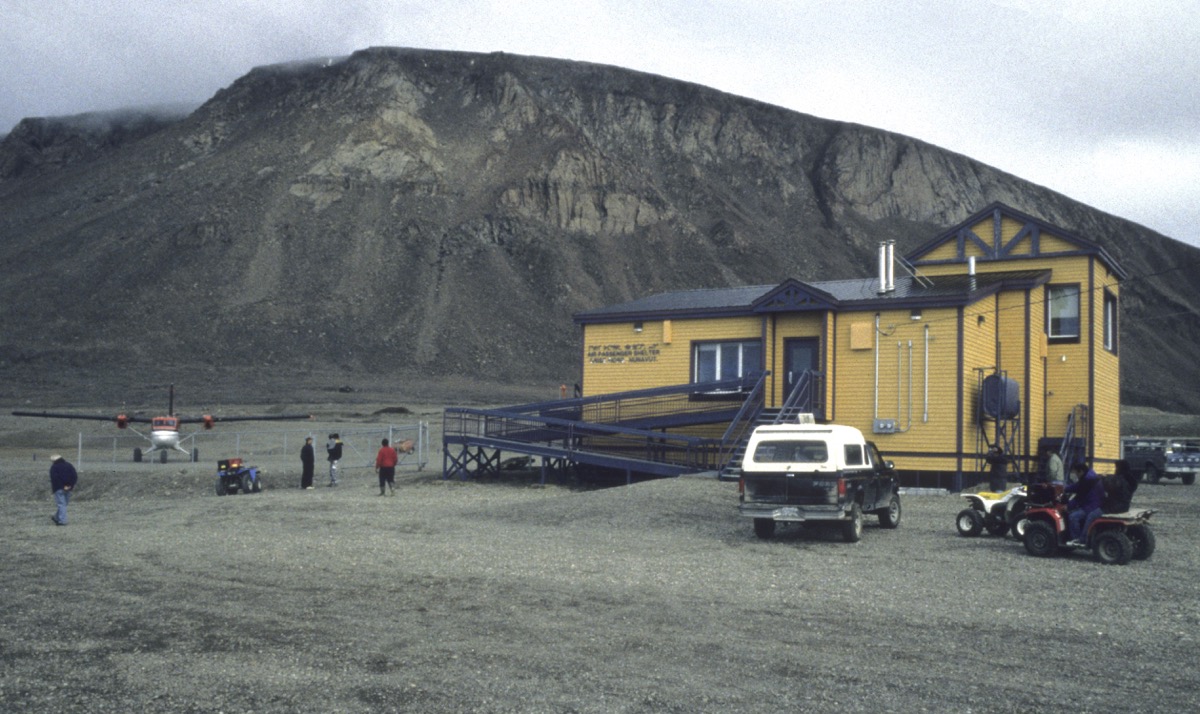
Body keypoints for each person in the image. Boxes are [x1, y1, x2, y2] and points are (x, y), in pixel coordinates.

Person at [1063, 461, 1102, 546]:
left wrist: (1068, 506)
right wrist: (1065, 488)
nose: (1076, 475)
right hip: (1096, 503)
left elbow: (1080, 496)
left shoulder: (1087, 480)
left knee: (1073, 516)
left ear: (1081, 471)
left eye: (1076, 473)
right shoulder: (1090, 475)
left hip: (1091, 506)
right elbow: (1078, 486)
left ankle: (1077, 539)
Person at [48, 454, 78, 526]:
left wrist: (62, 486)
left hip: (58, 488)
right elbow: (74, 476)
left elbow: (55, 479)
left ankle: (62, 521)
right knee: (64, 504)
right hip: (69, 488)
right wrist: (70, 486)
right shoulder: (69, 465)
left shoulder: (54, 467)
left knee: (62, 504)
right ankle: (57, 518)